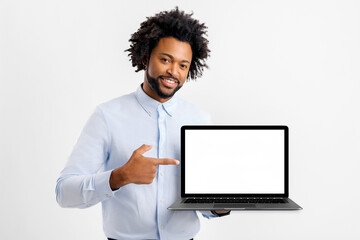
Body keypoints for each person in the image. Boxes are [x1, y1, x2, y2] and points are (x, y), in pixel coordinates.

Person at [56, 7, 230, 240]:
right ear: (146, 57)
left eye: (182, 65)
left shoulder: (200, 120)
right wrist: (119, 176)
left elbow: (204, 206)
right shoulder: (108, 116)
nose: (173, 72)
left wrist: (220, 205)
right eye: (165, 60)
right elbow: (64, 193)